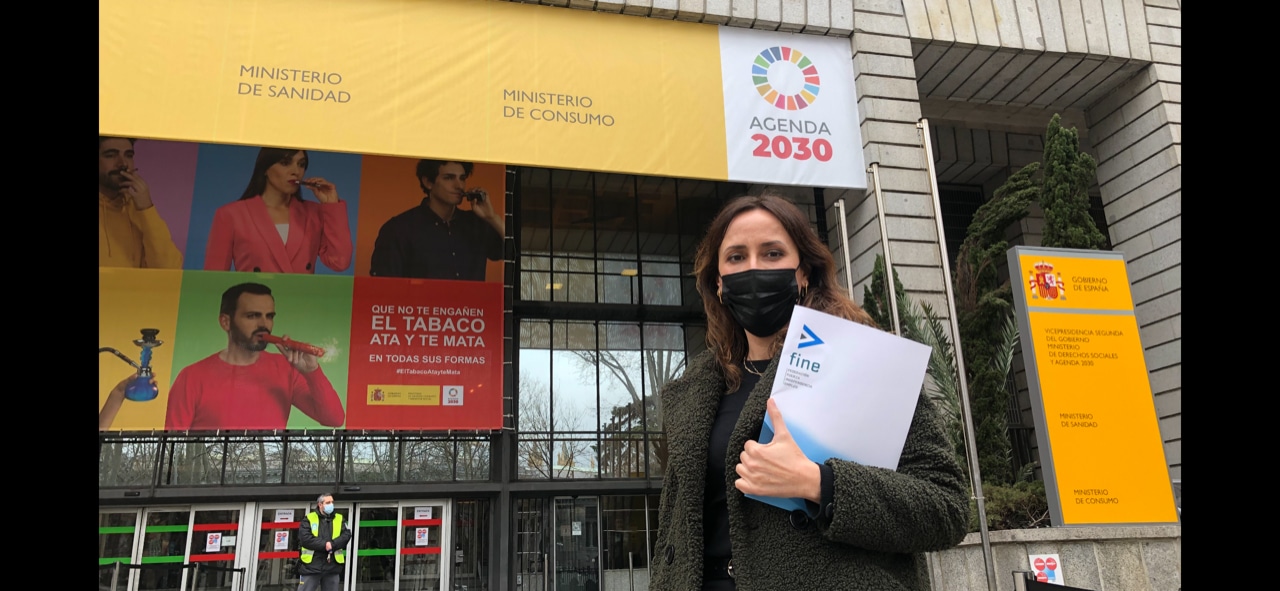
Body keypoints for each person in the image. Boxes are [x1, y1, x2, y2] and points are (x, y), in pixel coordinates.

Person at [647, 194, 969, 591]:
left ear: (803, 273)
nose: (753, 268)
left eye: (772, 253)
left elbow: (947, 507)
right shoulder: (696, 390)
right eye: (735, 257)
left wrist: (819, 484)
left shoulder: (863, 361)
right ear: (718, 282)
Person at [164, 282, 346, 430]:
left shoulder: (286, 369)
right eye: (252, 316)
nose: (264, 324)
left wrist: (312, 372)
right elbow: (171, 447)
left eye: (269, 316)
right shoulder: (191, 377)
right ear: (226, 322)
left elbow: (334, 419)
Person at [204, 148, 352, 274]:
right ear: (265, 168)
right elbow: (214, 278)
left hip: (301, 304)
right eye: (285, 163)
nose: (296, 171)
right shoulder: (230, 215)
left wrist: (332, 205)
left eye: (301, 165)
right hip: (254, 305)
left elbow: (340, 262)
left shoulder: (314, 213)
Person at [368, 159, 503, 280]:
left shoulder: (477, 223)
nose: (459, 186)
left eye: (462, 178)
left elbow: (514, 253)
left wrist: (492, 217)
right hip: (420, 308)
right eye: (449, 178)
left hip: (471, 308)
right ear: (428, 182)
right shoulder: (399, 229)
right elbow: (383, 289)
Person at [99, 137, 184, 269]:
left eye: (128, 155)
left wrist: (146, 208)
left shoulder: (138, 209)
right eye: (111, 155)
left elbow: (169, 270)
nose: (123, 164)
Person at [298, 492, 352, 591]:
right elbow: (305, 539)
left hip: (332, 567)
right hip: (312, 566)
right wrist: (324, 545)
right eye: (328, 502)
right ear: (320, 504)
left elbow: (346, 535)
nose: (331, 504)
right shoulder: (309, 519)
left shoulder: (339, 518)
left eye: (332, 502)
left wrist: (332, 544)